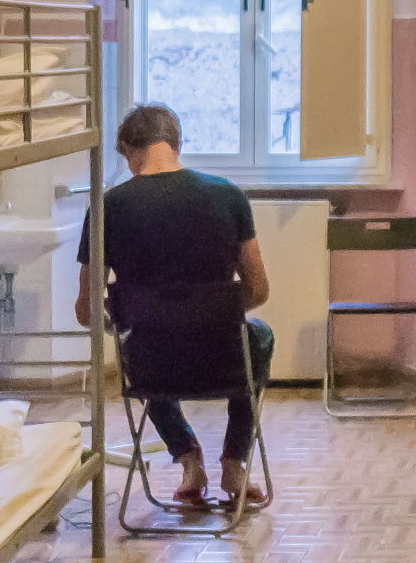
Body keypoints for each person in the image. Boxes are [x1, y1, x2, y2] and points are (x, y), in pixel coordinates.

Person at [75, 104, 271, 508]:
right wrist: (216, 314)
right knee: (260, 337)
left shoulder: (107, 207)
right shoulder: (228, 195)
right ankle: (234, 464)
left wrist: (125, 318)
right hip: (225, 360)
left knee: (135, 349)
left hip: (153, 365)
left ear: (129, 149)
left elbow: (87, 310)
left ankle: (188, 459)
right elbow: (259, 289)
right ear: (177, 144)